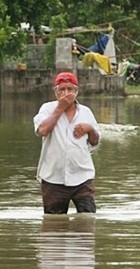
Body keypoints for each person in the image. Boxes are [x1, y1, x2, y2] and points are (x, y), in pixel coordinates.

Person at [33, 72, 101, 214]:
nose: (66, 93)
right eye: (62, 89)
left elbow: (94, 141)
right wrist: (60, 108)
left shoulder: (86, 112)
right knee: (53, 224)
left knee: (88, 219)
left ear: (76, 92)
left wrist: (90, 129)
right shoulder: (47, 109)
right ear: (55, 92)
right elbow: (42, 130)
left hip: (82, 177)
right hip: (53, 178)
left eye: (70, 89)